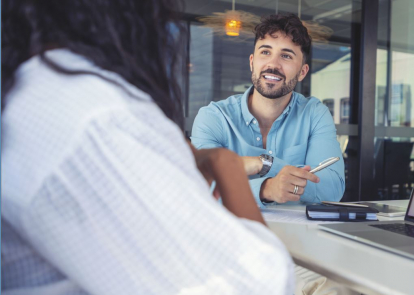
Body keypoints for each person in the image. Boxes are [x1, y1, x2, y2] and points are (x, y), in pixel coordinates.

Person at [1, 1, 294, 294]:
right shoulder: (97, 117)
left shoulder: (34, 88)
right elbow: (257, 283)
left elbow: (329, 184)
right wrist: (230, 168)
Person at [191, 14, 345, 206]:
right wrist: (266, 188)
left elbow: (331, 189)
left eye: (286, 56)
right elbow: (196, 186)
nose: (273, 65)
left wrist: (265, 164)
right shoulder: (214, 117)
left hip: (299, 235)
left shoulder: (315, 114)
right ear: (251, 62)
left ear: (302, 72)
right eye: (265, 52)